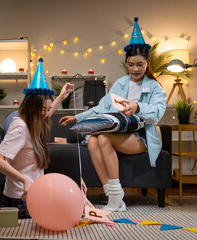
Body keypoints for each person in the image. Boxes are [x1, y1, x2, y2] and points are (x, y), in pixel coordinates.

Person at [59, 17, 166, 212]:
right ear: (126, 63)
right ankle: (112, 195)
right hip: (121, 133)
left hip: (141, 137)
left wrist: (138, 107)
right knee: (93, 140)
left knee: (104, 138)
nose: (135, 69)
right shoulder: (121, 84)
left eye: (140, 64)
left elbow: (158, 113)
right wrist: (77, 118)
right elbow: (101, 107)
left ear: (147, 63)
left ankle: (116, 197)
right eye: (131, 64)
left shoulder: (155, 87)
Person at [0, 58, 74, 218]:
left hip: (35, 193)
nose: (46, 114)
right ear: (32, 108)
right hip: (20, 198)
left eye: (48, 109)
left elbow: (47, 111)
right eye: (43, 109)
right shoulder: (20, 127)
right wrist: (24, 180)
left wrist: (61, 96)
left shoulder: (37, 121)